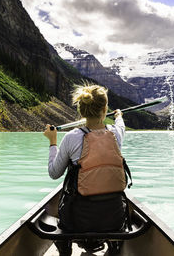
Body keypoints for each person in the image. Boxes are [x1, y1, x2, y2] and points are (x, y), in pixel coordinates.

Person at [43, 84, 129, 255]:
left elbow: (54, 173)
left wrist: (53, 142)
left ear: (81, 112)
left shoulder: (71, 137)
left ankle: (65, 246)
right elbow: (121, 124)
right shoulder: (116, 134)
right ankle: (113, 245)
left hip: (77, 220)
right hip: (115, 218)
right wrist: (118, 115)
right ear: (105, 110)